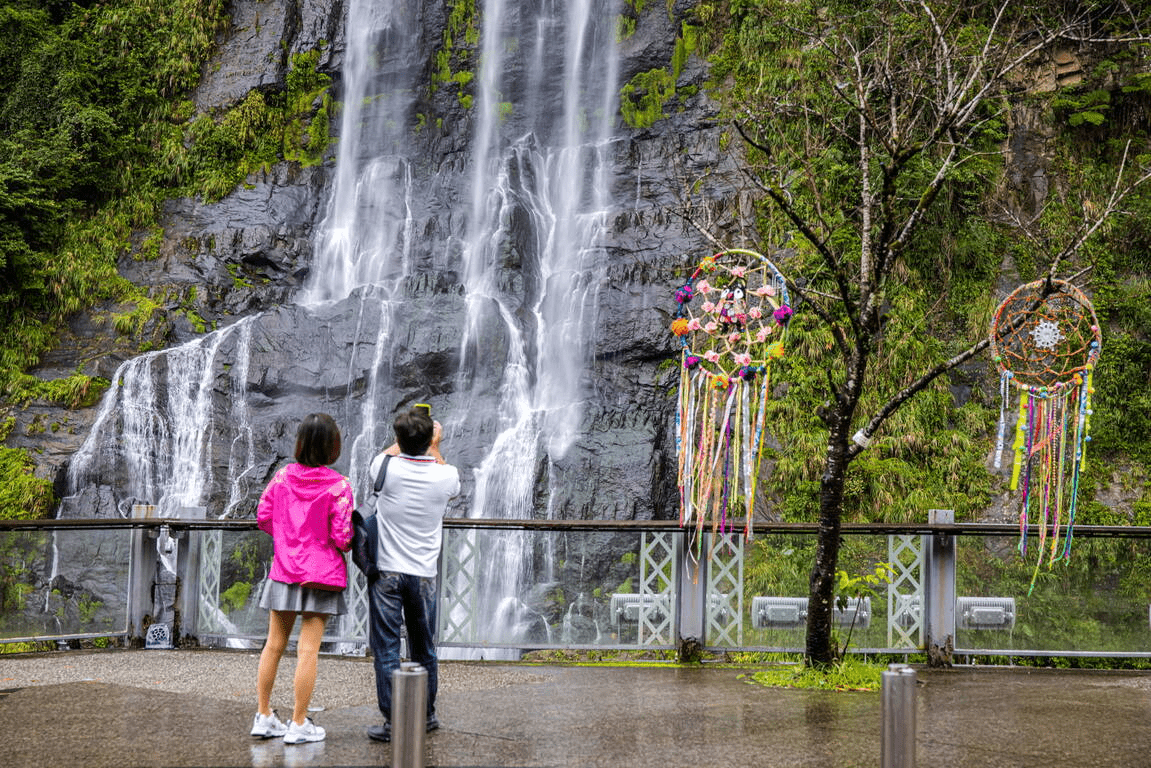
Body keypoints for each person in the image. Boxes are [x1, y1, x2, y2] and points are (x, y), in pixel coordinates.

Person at [251, 413, 354, 745]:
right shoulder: (339, 486)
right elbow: (343, 536)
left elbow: (264, 516)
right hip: (321, 575)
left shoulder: (282, 477)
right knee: (308, 650)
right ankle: (298, 723)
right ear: (333, 446)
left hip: (284, 570)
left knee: (273, 645)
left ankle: (264, 716)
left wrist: (287, 539)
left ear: (299, 443)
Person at [366, 406, 461, 742]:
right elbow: (448, 477)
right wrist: (434, 444)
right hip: (423, 576)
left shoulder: (383, 467)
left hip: (386, 572)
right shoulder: (446, 475)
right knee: (424, 648)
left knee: (387, 648)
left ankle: (394, 721)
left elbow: (391, 452)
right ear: (430, 439)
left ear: (398, 438)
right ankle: (427, 715)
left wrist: (407, 437)